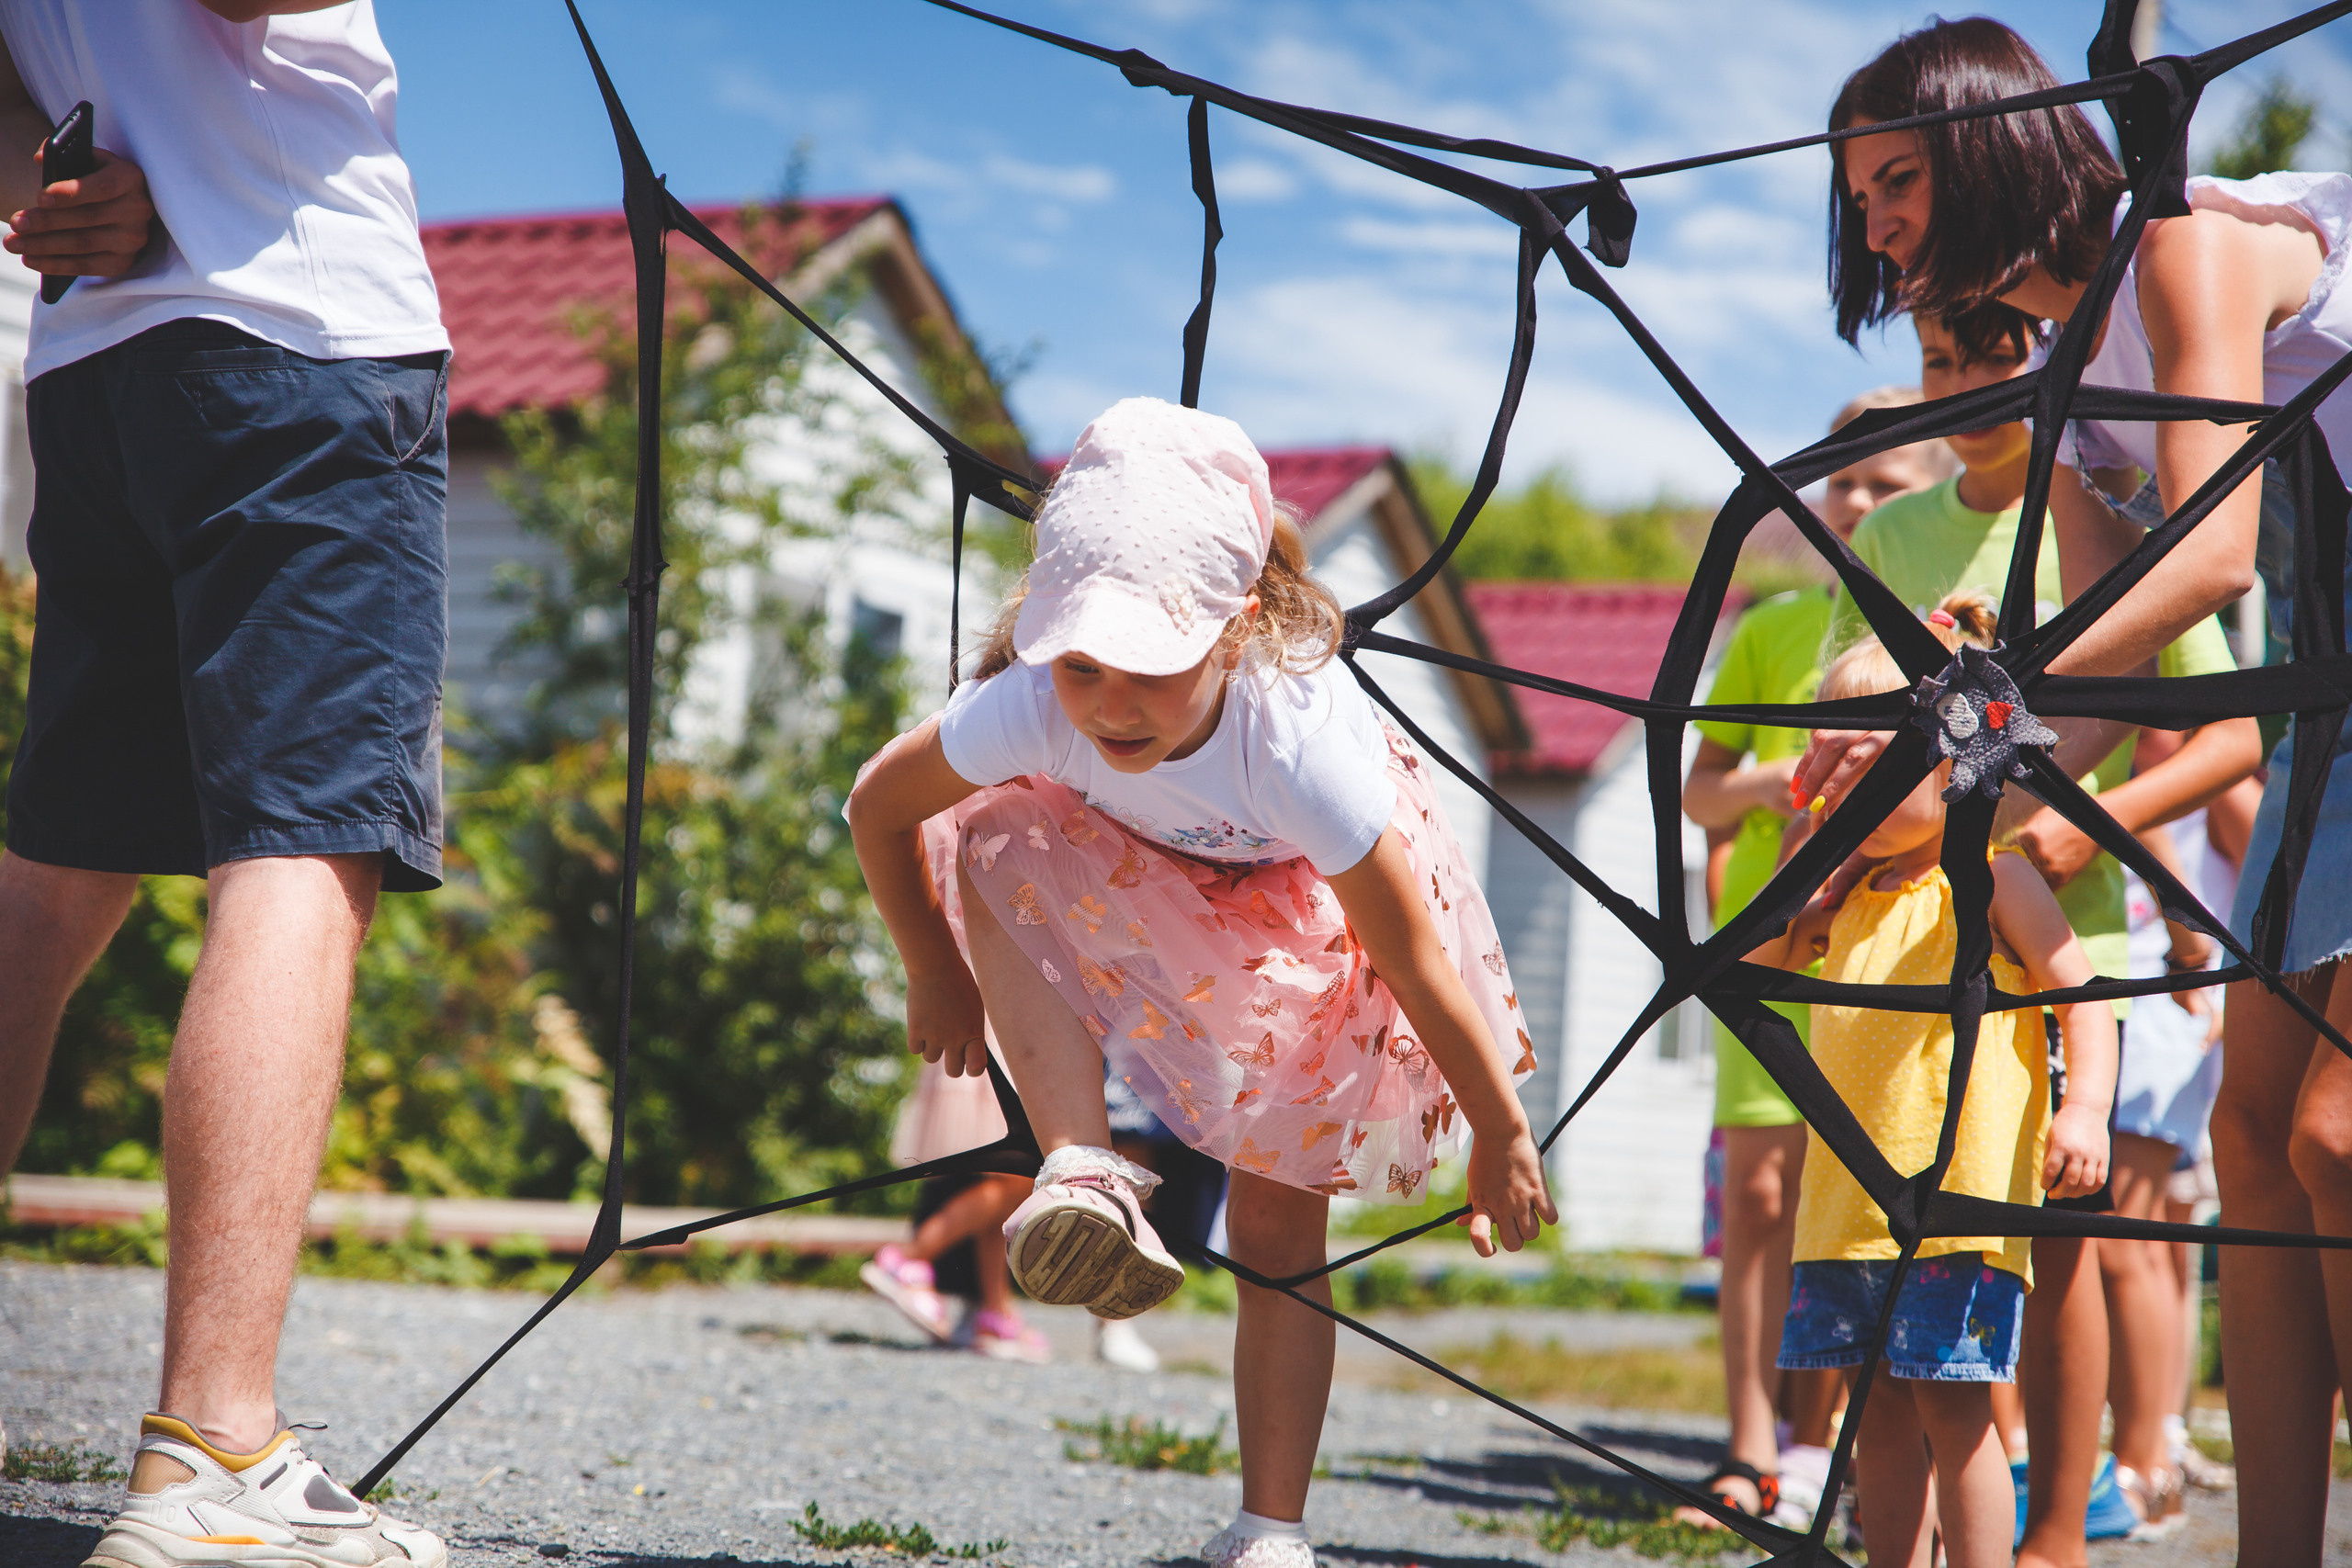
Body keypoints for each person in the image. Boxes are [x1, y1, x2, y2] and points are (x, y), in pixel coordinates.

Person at [1800, 19, 2351, 1562]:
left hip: (2326, 655)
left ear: (1991, 148)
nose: (1877, 223)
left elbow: (2214, 558)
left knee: (2338, 1132)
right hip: (2324, 683)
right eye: (1858, 199)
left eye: (1897, 179)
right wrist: (1933, 781)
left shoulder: (2178, 253)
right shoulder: (2069, 374)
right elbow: (2102, 695)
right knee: (2252, 1137)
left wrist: (1976, 721)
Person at [846, 396, 1551, 1568]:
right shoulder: (1038, 705)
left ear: (1232, 631)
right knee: (994, 830)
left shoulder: (1298, 746)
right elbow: (879, 804)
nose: (1111, 702)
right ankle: (1083, 1168)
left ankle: (1271, 1531)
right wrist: (936, 971)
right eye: (1080, 665)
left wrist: (1499, 1129)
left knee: (1277, 1220)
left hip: (1314, 923)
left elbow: (1414, 957)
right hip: (1146, 881)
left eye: (1150, 667)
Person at [0, 7, 450, 1568]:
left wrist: (38, 189)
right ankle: (212, 1448)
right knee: (304, 850)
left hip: (103, 363)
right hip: (296, 338)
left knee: (54, 877)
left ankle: (211, 1447)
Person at [1824, 304, 2258, 1563]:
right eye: (1936, 363)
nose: (1957, 385)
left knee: (2061, 1242)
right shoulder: (1896, 531)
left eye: (1987, 360)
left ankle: (2057, 1529)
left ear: (2045, 365)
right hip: (1918, 934)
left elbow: (2231, 734)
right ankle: (1943, 1508)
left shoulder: (2104, 506)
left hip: (2065, 928)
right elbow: (1867, 726)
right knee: (1929, 1247)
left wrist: (2090, 826)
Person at [1754, 592, 2118, 1568]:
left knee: (1956, 1412)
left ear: (1960, 761)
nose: (1854, 796)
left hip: (1953, 1205)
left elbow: (2081, 992)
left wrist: (2085, 1108)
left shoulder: (1993, 876)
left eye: (1876, 769)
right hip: (1844, 1205)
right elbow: (1753, 966)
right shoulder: (1846, 894)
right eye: (1841, 772)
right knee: (1872, 1411)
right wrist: (1804, 849)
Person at [1677, 388, 1953, 1529]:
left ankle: (1831, 1451)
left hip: (1880, 960)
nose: (1857, 499)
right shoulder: (1772, 627)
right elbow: (1698, 791)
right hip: (1770, 952)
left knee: (1858, 1197)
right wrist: (1791, 782)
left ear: (1922, 497)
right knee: (1756, 1195)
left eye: (1885, 484)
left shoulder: (1938, 632)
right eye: (1843, 480)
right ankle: (1750, 1447)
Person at [864, 1051, 1050, 1362]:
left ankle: (993, 1309)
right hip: (995, 1044)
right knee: (1014, 1176)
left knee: (1007, 1175)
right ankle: (909, 1258)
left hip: (997, 1044)